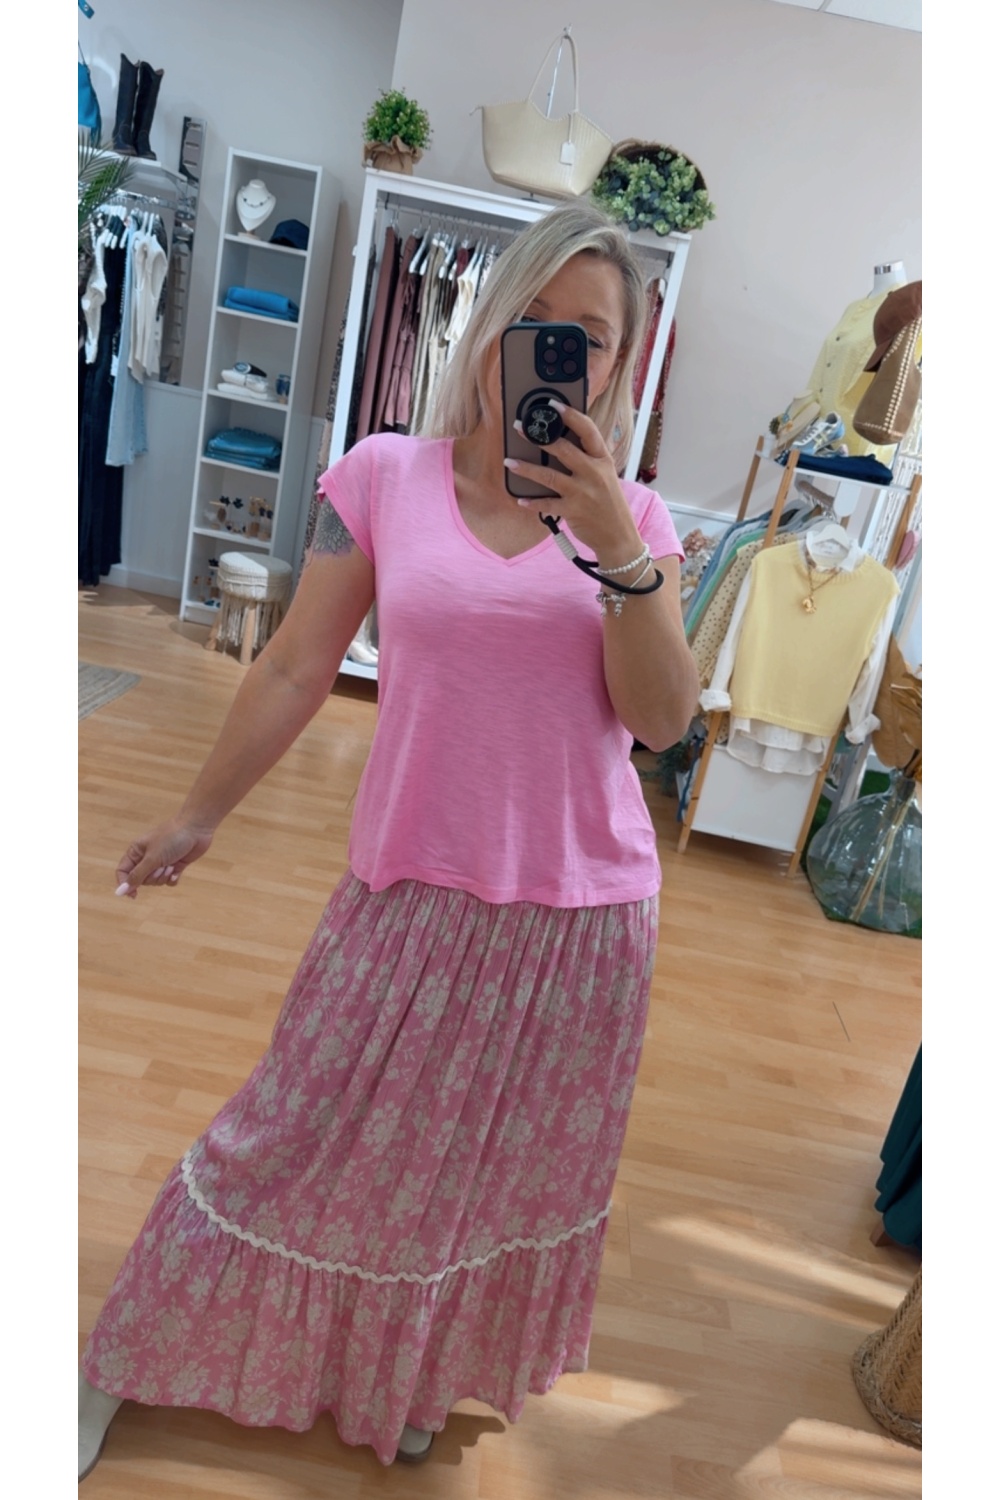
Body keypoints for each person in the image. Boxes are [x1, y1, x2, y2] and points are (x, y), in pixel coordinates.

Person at [78, 201, 700, 1481]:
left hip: (579, 919)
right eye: (536, 319)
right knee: (280, 1133)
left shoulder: (638, 521)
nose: (557, 350)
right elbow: (294, 667)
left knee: (483, 1178)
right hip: (406, 888)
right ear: (491, 321)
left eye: (589, 336)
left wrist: (618, 553)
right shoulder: (381, 478)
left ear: (619, 364)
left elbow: (659, 721)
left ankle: (411, 1371)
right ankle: (116, 1356)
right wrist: (196, 813)